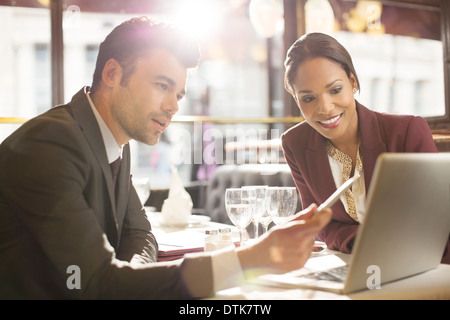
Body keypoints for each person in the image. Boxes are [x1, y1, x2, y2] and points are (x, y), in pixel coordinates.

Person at [0, 17, 332, 299]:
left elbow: (140, 234)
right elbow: (97, 285)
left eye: (179, 94)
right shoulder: (51, 144)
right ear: (112, 74)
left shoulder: (114, 142)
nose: (174, 106)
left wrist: (130, 280)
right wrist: (248, 260)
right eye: (162, 85)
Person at [281, 32, 450, 264]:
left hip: (428, 265)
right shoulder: (295, 143)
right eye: (309, 99)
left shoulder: (406, 131)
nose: (326, 108)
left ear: (353, 82)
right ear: (295, 98)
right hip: (360, 263)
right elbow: (321, 222)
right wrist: (362, 243)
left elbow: (438, 222)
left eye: (335, 90)